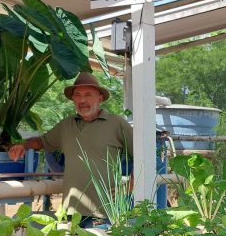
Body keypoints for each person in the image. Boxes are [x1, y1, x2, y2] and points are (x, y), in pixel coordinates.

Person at [8, 72, 133, 226]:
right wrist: (23, 145)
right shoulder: (67, 125)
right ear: (73, 99)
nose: (82, 100)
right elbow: (42, 142)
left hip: (106, 215)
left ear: (100, 98)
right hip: (70, 214)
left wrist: (129, 186)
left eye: (88, 95)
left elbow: (144, 156)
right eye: (77, 95)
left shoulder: (116, 123)